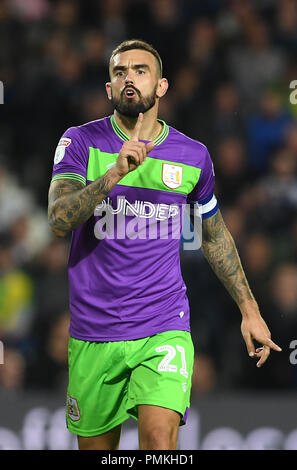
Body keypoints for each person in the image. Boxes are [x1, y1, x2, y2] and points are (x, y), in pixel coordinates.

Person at [47, 39, 282, 451]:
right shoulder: (80, 142)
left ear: (161, 86)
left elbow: (215, 235)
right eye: (120, 72)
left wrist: (250, 310)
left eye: (140, 70)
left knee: (159, 441)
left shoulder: (193, 156)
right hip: (93, 330)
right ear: (109, 89)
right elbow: (59, 220)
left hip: (162, 324)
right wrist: (114, 174)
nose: (129, 79)